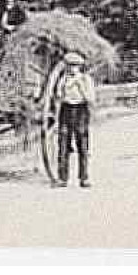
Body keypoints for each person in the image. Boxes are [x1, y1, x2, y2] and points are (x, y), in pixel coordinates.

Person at [55, 50, 96, 188]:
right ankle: (62, 178)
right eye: (69, 65)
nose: (72, 68)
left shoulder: (86, 79)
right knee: (63, 145)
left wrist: (80, 86)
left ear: (80, 67)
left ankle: (84, 178)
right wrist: (62, 89)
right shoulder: (63, 79)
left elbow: (90, 99)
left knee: (82, 145)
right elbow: (58, 95)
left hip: (80, 111)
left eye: (75, 65)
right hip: (66, 111)